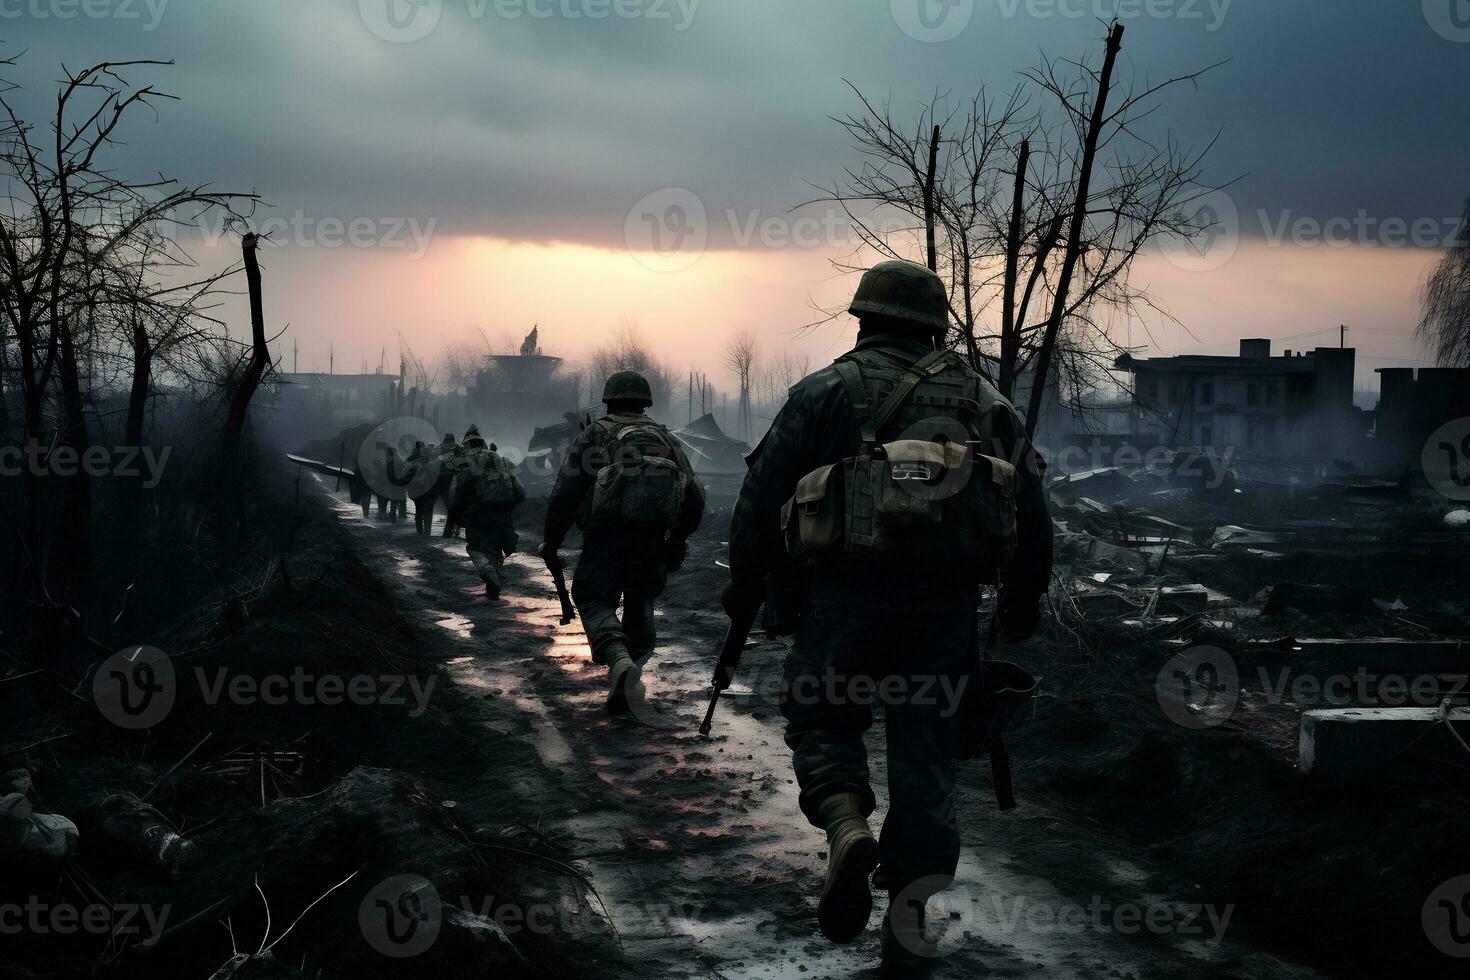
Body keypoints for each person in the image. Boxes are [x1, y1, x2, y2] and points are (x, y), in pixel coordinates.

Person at [725, 260, 1052, 975]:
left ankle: (846, 826)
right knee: (927, 759)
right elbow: (1033, 517)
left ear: (863, 319)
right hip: (944, 612)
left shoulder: (824, 393)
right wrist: (1022, 605)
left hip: (844, 601)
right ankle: (908, 921)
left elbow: (758, 503)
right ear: (939, 326)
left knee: (822, 720)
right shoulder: (988, 402)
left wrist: (747, 592)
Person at [539, 371, 706, 716]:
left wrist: (551, 542)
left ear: (608, 400)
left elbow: (565, 494)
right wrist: (678, 538)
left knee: (593, 599)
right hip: (651, 540)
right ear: (645, 402)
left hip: (604, 537)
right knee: (641, 603)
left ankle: (618, 660)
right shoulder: (666, 438)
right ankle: (632, 675)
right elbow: (695, 495)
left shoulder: (594, 435)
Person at [445, 425, 525, 599]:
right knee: (496, 550)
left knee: (475, 548)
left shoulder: (467, 461)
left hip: (478, 514)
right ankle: (494, 583)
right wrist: (510, 508)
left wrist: (455, 516)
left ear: (467, 444)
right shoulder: (501, 459)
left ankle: (487, 570)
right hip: (502, 514)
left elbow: (460, 492)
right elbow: (519, 489)